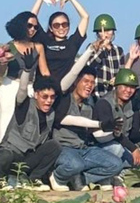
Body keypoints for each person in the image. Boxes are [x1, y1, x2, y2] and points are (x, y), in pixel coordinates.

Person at [49, 51, 125, 191]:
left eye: (92, 83)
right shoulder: (63, 99)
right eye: (86, 81)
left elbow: (95, 134)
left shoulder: (90, 105)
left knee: (116, 164)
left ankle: (81, 178)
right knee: (75, 164)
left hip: (84, 149)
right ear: (76, 82)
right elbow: (69, 120)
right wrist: (100, 124)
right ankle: (58, 176)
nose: (89, 86)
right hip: (64, 148)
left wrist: (113, 132)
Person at [0, 57, 60, 191]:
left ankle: (34, 178)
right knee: (4, 156)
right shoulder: (25, 105)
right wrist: (27, 71)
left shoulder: (51, 114)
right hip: (12, 151)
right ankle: (0, 180)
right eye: (45, 97)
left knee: (54, 146)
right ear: (36, 95)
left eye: (52, 97)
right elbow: (22, 91)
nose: (48, 101)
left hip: (28, 157)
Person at [0, 11, 50, 149]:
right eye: (29, 26)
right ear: (21, 25)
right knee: (5, 123)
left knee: (25, 124)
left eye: (35, 27)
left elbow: (45, 72)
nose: (32, 30)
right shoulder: (8, 47)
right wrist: (1, 62)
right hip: (10, 86)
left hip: (29, 87)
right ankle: (0, 153)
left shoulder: (38, 47)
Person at [93, 64, 140, 170]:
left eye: (132, 87)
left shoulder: (131, 101)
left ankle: (124, 172)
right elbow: (112, 132)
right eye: (125, 86)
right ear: (117, 85)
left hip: (124, 146)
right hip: (102, 147)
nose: (128, 90)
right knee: (117, 149)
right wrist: (133, 148)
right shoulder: (104, 103)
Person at [31, 0, 88, 83]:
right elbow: (31, 19)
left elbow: (85, 17)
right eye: (57, 25)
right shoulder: (44, 40)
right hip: (43, 90)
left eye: (65, 24)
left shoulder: (73, 43)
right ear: (51, 28)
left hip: (64, 90)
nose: (61, 28)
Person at [87, 14, 125, 100]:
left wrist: (118, 79)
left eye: (109, 31)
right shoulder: (91, 47)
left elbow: (122, 71)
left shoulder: (119, 50)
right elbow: (89, 66)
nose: (106, 34)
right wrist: (103, 49)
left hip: (114, 95)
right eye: (102, 31)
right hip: (96, 94)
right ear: (97, 33)